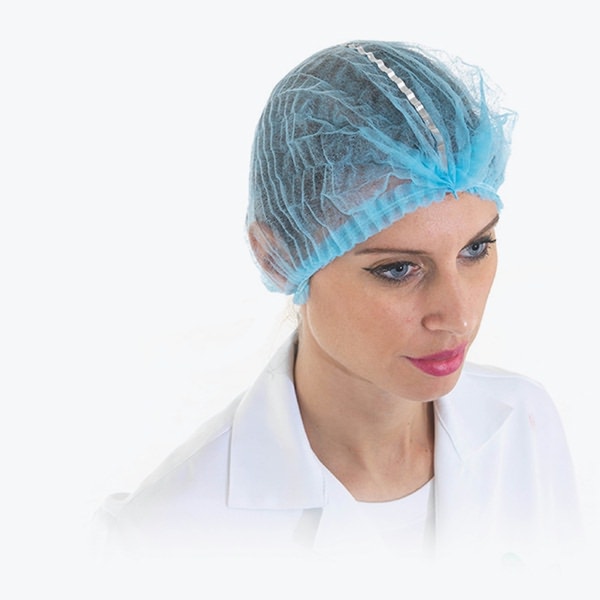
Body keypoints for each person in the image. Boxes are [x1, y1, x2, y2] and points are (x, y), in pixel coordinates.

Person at [96, 40, 582, 566]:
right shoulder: (165, 535)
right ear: (279, 256)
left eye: (475, 248)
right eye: (398, 269)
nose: (458, 316)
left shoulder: (525, 427)